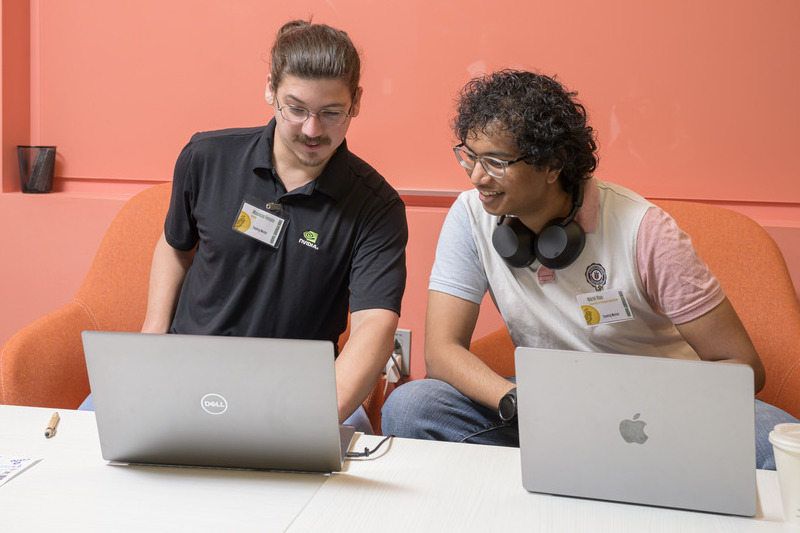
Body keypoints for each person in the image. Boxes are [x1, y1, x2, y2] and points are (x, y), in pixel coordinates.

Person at [380, 69, 797, 468]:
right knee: (413, 406)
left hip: (656, 416)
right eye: (468, 156)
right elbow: (442, 351)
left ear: (552, 165)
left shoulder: (644, 231)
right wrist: (517, 399)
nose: (475, 176)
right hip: (545, 411)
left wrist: (637, 408)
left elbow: (743, 368)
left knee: (779, 444)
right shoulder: (471, 216)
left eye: (495, 162)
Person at [80, 20, 408, 433]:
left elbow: (373, 325)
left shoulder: (376, 206)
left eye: (331, 113)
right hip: (186, 369)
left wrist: (315, 420)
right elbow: (176, 246)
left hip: (299, 390)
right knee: (86, 438)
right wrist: (153, 334)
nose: (312, 130)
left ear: (355, 102)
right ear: (270, 89)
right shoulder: (206, 158)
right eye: (296, 109)